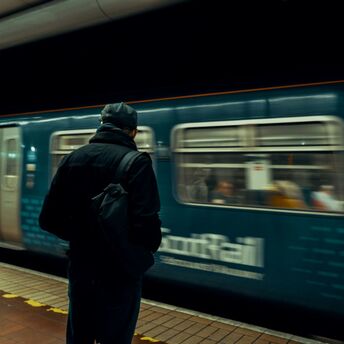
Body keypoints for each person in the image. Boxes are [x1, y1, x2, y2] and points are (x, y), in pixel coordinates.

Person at [39, 102, 161, 344]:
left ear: (102, 125)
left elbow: (48, 219)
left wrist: (81, 236)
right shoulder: (137, 164)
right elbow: (147, 225)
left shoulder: (71, 159)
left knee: (80, 335)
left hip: (82, 267)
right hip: (121, 271)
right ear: (133, 131)